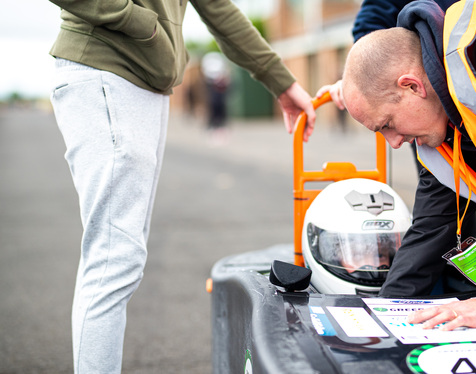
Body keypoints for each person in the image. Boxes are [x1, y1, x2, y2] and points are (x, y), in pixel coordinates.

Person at [47, 0, 316, 372]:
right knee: (113, 259)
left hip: (144, 81)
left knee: (119, 257)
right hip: (107, 67)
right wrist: (140, 22)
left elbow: (217, 7)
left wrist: (279, 79)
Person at [341, 0, 476, 331]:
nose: (395, 142)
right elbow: (433, 223)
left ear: (411, 85)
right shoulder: (447, 114)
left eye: (387, 123)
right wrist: (383, 316)